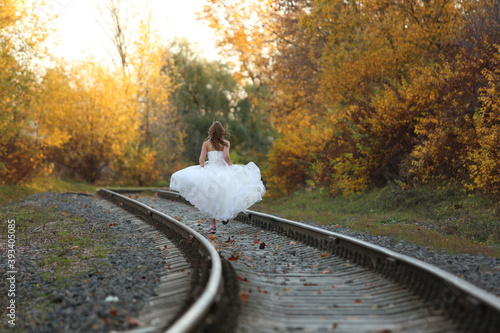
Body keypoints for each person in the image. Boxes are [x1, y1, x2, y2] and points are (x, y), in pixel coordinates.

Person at [169, 121, 266, 234]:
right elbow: (226, 157)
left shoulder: (206, 143)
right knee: (227, 193)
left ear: (212, 131)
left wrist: (204, 164)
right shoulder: (226, 143)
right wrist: (231, 167)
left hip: (210, 172)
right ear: (222, 132)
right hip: (223, 171)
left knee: (211, 198)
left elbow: (201, 161)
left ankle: (213, 226)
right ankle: (225, 216)